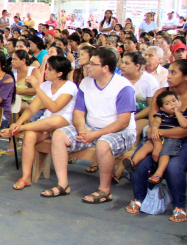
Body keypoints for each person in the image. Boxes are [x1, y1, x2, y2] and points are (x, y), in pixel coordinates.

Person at [42, 48, 136, 203]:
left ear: (105, 68)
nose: (87, 66)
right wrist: (82, 130)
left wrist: (95, 134)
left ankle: (105, 190)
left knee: (103, 144)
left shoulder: (123, 86)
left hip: (121, 131)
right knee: (59, 135)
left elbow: (123, 122)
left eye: (93, 63)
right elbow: (78, 112)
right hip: (91, 128)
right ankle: (63, 184)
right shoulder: (86, 83)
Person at [0, 56, 78, 190]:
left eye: (50, 70)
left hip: (64, 124)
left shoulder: (70, 87)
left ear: (60, 74)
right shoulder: (46, 85)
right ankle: (25, 177)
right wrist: (18, 122)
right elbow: (32, 108)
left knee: (56, 120)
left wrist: (37, 88)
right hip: (45, 124)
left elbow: (54, 107)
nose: (46, 72)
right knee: (30, 135)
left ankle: (21, 129)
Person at [127, 60, 187, 222]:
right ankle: (139, 198)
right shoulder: (161, 93)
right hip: (156, 138)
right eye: (169, 72)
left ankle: (179, 207)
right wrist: (156, 140)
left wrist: (158, 132)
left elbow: (183, 131)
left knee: (174, 168)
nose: (168, 76)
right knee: (139, 163)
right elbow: (154, 119)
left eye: (174, 73)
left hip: (181, 140)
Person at [124, 90, 187, 185]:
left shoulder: (182, 115)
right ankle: (132, 162)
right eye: (168, 103)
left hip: (171, 139)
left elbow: (184, 125)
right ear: (162, 108)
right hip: (157, 137)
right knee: (146, 147)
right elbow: (156, 122)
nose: (172, 104)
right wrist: (154, 128)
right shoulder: (161, 114)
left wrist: (177, 112)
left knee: (164, 153)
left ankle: (158, 173)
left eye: (174, 101)